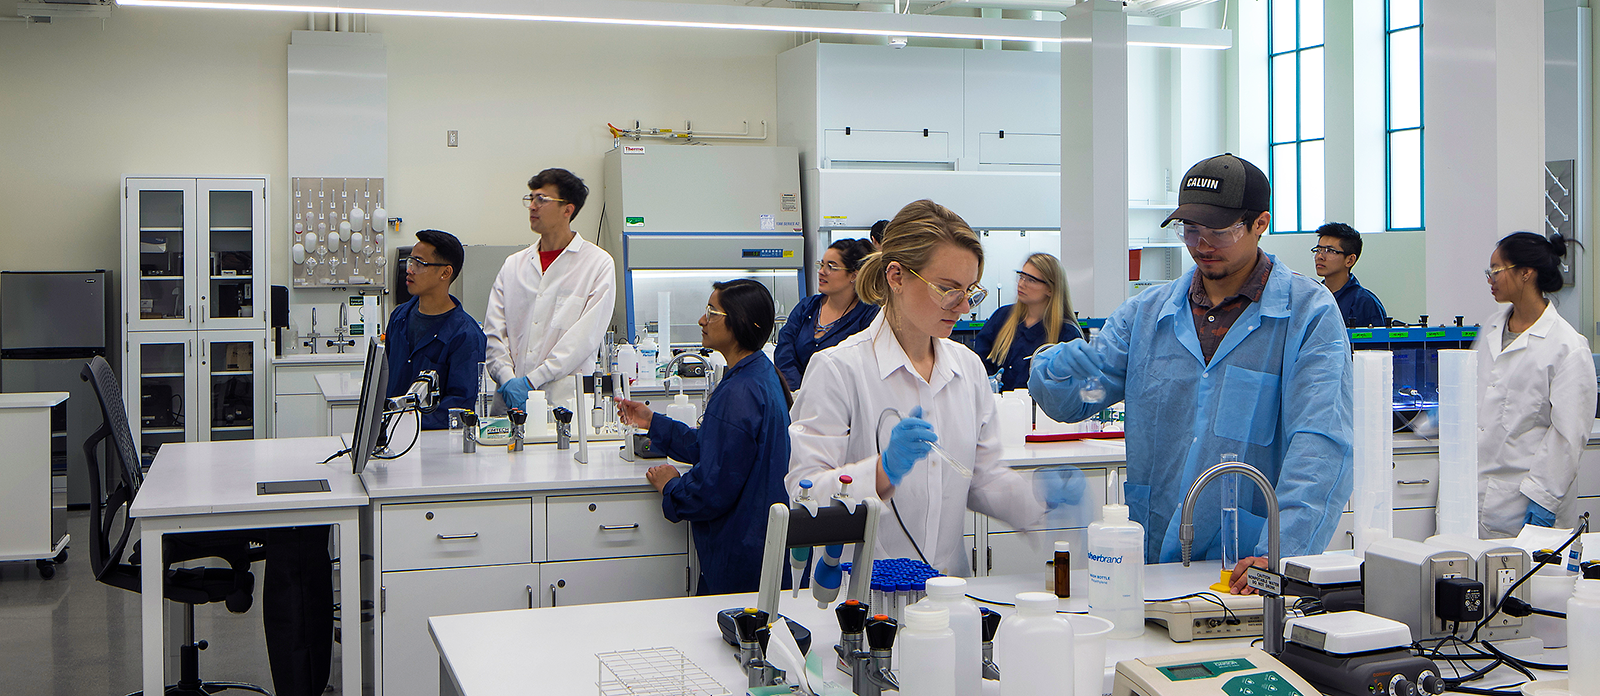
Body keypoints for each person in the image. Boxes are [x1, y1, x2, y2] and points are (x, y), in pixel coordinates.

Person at [1030, 153, 1353, 593]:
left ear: (1261, 223)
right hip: (1153, 559)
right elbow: (1074, 402)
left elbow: (1320, 445)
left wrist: (1282, 553)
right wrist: (1055, 368)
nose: (1202, 244)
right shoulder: (1146, 315)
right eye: (1192, 230)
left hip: (1248, 567)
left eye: (1220, 231)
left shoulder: (1307, 313)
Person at [787, 199, 1084, 576]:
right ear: (896, 277)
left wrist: (1038, 499)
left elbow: (981, 476)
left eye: (970, 292)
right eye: (947, 289)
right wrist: (881, 471)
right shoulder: (839, 369)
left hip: (947, 593)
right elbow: (803, 494)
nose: (962, 307)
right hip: (859, 595)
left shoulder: (967, 368)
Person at [616, 280, 793, 594]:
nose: (702, 320)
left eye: (712, 313)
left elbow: (713, 487)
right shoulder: (760, 374)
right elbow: (712, 446)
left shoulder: (740, 391)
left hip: (740, 551)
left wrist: (671, 486)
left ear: (737, 322)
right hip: (761, 543)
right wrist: (652, 421)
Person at [1474, 232, 1596, 538]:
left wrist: (1543, 498)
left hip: (1524, 502)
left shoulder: (1567, 346)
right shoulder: (1491, 327)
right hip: (1474, 493)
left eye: (1497, 270)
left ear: (1526, 272)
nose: (1490, 278)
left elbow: (1568, 436)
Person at [484, 168, 616, 412]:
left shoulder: (597, 264)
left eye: (542, 199)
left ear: (568, 209)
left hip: (562, 403)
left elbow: (583, 339)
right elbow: (494, 331)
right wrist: (507, 378)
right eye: (531, 198)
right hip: (509, 400)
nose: (533, 206)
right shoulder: (514, 265)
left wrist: (532, 381)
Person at [384, 229, 487, 429]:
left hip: (435, 444)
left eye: (419, 264)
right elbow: (384, 381)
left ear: (445, 272)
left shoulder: (465, 336)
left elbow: (458, 407)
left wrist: (406, 423)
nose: (410, 269)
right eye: (410, 261)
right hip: (389, 436)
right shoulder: (399, 317)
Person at [774, 238, 880, 388]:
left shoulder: (868, 315)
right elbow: (784, 352)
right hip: (797, 397)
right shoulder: (807, 307)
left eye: (832, 267)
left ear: (853, 275)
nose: (821, 271)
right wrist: (799, 391)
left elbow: (864, 367)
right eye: (822, 264)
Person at [973, 252, 1082, 391]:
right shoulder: (1003, 317)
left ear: (1050, 289)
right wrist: (987, 381)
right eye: (1021, 276)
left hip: (1042, 411)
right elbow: (978, 361)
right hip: (1000, 406)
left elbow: (1072, 385)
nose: (1021, 284)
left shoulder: (1067, 333)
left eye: (1031, 280)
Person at [1312, 222, 1387, 328]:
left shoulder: (1364, 303)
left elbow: (1375, 343)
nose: (1320, 256)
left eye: (1330, 251)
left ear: (1350, 260)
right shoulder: (1313, 298)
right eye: (1318, 250)